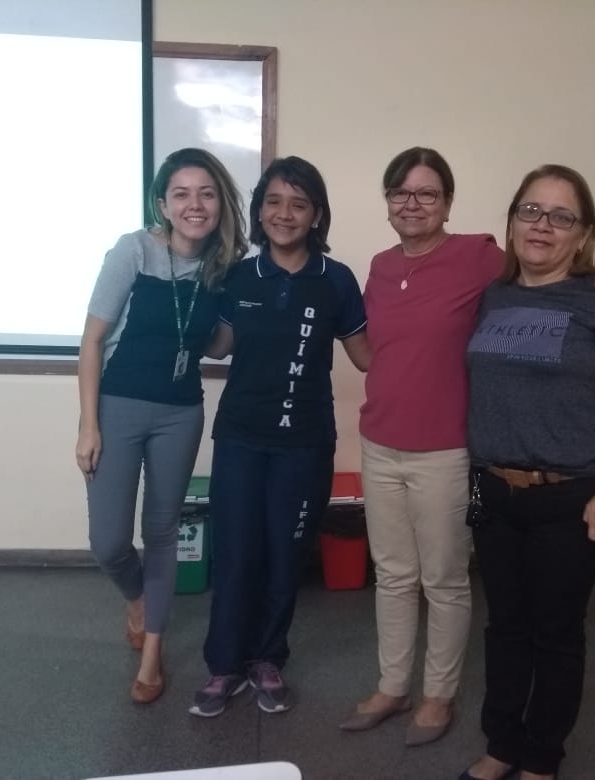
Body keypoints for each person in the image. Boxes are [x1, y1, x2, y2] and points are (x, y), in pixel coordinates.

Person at [340, 148, 595, 747]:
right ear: (388, 201)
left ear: (448, 203)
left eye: (428, 193)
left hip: (447, 448)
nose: (413, 204)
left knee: (443, 578)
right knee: (392, 574)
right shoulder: (379, 264)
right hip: (380, 440)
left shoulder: (478, 258)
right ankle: (393, 685)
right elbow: (377, 348)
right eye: (401, 192)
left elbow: (550, 259)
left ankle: (438, 695)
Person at [458, 164, 595, 780]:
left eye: (561, 216)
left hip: (571, 498)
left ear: (583, 233)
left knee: (557, 633)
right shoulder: (493, 295)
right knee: (504, 628)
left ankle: (542, 759)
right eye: (530, 211)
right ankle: (501, 745)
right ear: (512, 221)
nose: (542, 226)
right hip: (494, 490)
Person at [189, 156, 370, 718]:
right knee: (236, 554)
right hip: (242, 438)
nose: (284, 214)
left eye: (299, 204)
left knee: (286, 555)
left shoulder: (337, 280)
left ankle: (268, 659)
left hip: (306, 443)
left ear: (317, 215)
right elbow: (219, 346)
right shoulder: (238, 276)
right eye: (273, 202)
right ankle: (225, 665)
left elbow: (368, 357)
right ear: (259, 210)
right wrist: (182, 288)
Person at [76, 148, 248, 705]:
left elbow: (217, 346)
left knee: (163, 532)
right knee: (108, 542)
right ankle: (137, 599)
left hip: (180, 412)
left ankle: (152, 654)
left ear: (220, 203)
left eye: (206, 193)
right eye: (182, 193)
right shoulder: (134, 250)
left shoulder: (223, 269)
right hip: (118, 405)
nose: (195, 204)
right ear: (163, 203)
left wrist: (250, 312)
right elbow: (92, 341)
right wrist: (88, 425)